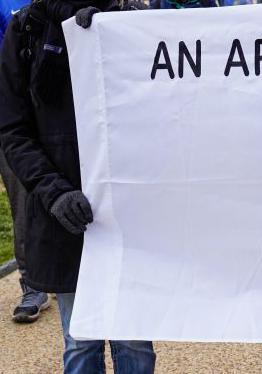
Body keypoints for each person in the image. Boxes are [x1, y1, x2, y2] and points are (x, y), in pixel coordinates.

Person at [0, 0, 156, 372]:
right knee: (80, 341)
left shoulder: (133, 21)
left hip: (127, 214)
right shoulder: (26, 30)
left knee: (135, 344)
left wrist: (122, 30)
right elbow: (13, 131)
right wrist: (55, 193)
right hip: (62, 218)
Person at [1, 0, 51, 324]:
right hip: (16, 113)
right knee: (23, 198)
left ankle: (74, 273)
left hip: (65, 109)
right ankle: (32, 283)